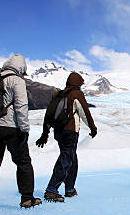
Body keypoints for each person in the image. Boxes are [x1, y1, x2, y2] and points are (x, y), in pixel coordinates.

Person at [0, 54, 41, 213]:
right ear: (21, 68)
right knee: (23, 162)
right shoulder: (16, 81)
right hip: (12, 128)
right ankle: (27, 198)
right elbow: (21, 106)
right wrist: (25, 129)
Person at [36, 72, 98, 202]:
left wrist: (45, 133)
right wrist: (92, 128)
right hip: (70, 131)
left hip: (58, 131)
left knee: (71, 157)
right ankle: (52, 189)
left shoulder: (58, 94)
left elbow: (49, 115)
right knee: (66, 157)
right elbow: (84, 112)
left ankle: (70, 188)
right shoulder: (76, 94)